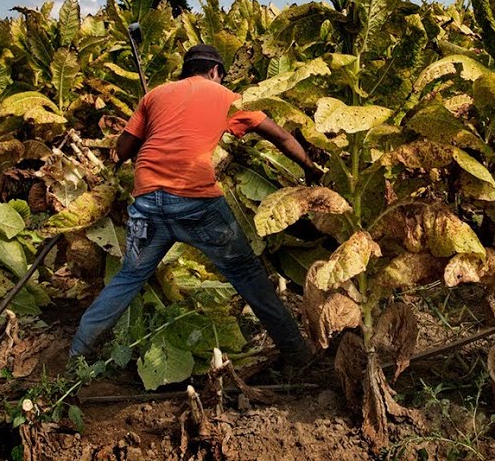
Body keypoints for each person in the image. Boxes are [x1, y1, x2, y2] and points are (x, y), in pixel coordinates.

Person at [70, 44, 322, 369]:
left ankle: (76, 358)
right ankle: (298, 355)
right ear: (215, 71)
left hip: (147, 199)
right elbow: (281, 137)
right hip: (196, 199)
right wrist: (309, 168)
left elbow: (122, 149)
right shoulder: (228, 98)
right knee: (247, 273)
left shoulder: (154, 96)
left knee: (129, 277)